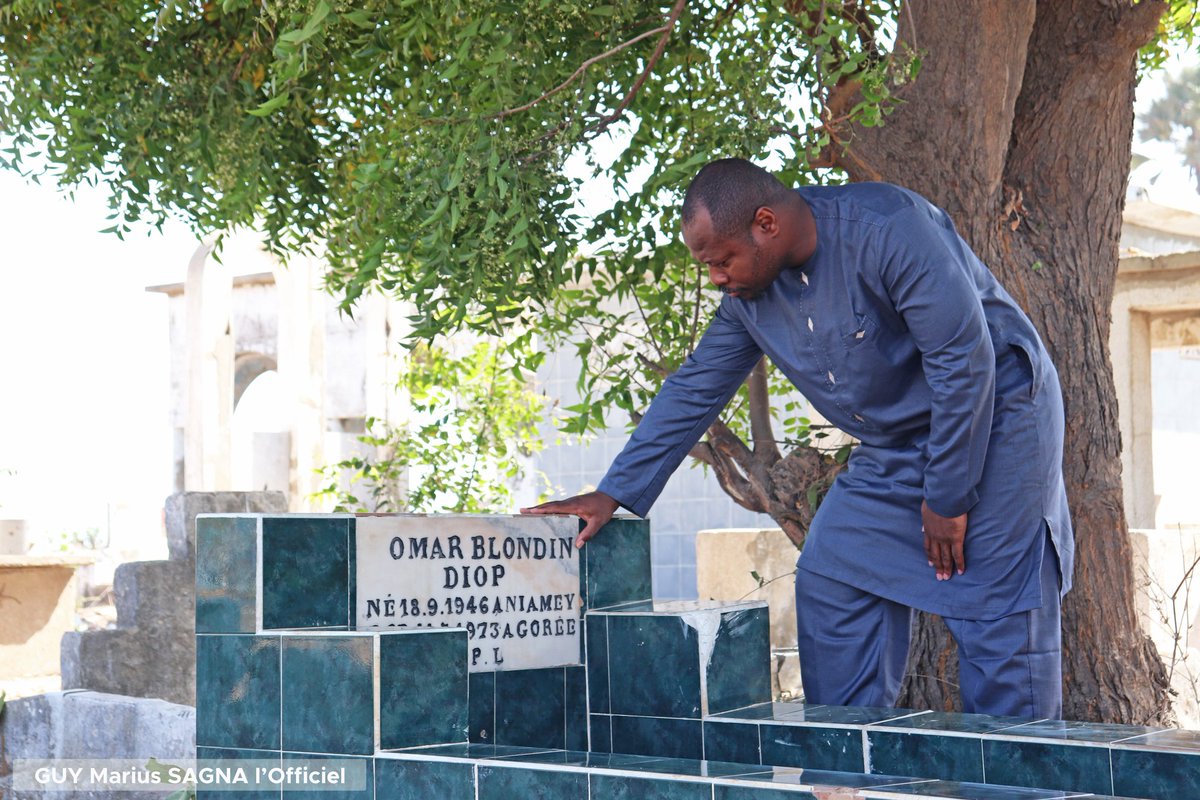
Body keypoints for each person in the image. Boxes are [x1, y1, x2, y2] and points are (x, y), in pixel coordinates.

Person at [522, 158, 1073, 719]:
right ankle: (845, 770)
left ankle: (1017, 780)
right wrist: (613, 492)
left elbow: (963, 361)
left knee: (998, 606)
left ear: (766, 223)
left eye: (721, 260)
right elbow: (693, 390)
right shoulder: (748, 302)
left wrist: (949, 496)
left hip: (1000, 421)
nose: (716, 278)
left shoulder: (890, 229)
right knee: (833, 574)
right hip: (897, 443)